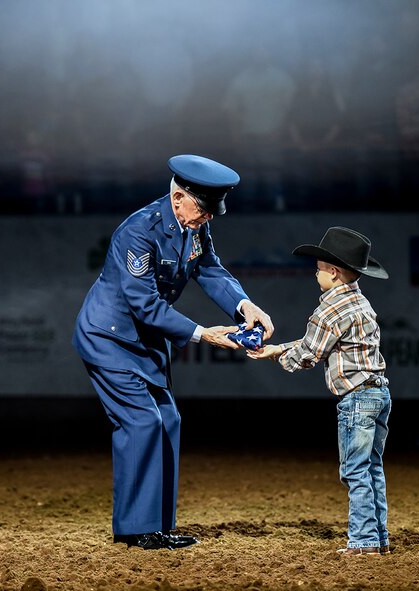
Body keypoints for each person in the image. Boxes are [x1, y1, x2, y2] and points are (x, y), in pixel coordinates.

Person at [72, 154, 274, 550]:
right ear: (178, 197)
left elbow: (211, 270)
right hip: (109, 339)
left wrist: (244, 306)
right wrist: (203, 334)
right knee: (141, 421)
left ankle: (157, 526)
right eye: (203, 210)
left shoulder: (193, 224)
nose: (208, 220)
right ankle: (134, 530)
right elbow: (143, 304)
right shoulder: (138, 231)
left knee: (168, 419)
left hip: (146, 342)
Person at [246, 226, 391, 557]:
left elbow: (309, 353)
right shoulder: (361, 303)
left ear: (334, 273)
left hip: (356, 398)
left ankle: (364, 540)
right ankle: (378, 536)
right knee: (372, 468)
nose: (316, 273)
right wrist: (277, 348)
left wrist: (280, 357)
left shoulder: (329, 309)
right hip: (379, 393)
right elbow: (320, 344)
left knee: (353, 470)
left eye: (320, 268)